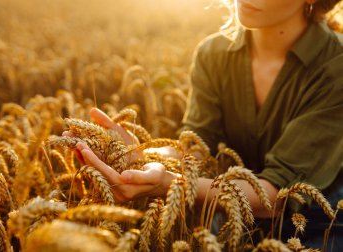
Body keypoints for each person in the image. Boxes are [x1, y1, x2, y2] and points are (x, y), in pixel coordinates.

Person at [64, 0, 343, 249]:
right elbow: (198, 146)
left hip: (320, 228)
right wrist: (139, 156)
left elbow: (276, 196)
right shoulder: (213, 53)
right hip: (230, 221)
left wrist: (169, 184)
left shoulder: (336, 66)